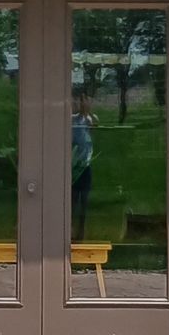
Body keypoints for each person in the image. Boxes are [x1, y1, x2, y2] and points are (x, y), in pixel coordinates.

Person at [70, 91, 95, 242]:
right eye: (80, 101)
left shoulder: (90, 120)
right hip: (74, 165)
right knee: (73, 199)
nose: (82, 104)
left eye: (84, 101)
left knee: (84, 200)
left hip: (85, 165)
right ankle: (70, 230)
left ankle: (81, 232)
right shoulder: (71, 120)